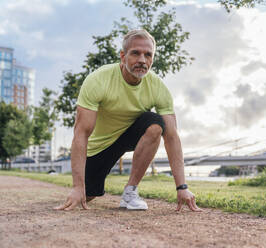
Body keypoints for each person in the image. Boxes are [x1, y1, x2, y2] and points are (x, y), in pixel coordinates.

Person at [55, 29, 201, 212]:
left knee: (156, 124)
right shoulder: (98, 80)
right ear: (123, 56)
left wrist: (182, 187)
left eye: (148, 55)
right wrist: (77, 187)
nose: (142, 60)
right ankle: (81, 190)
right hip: (100, 147)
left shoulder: (157, 87)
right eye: (135, 53)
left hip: (130, 135)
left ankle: (130, 191)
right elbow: (81, 133)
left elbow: (172, 136)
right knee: (87, 195)